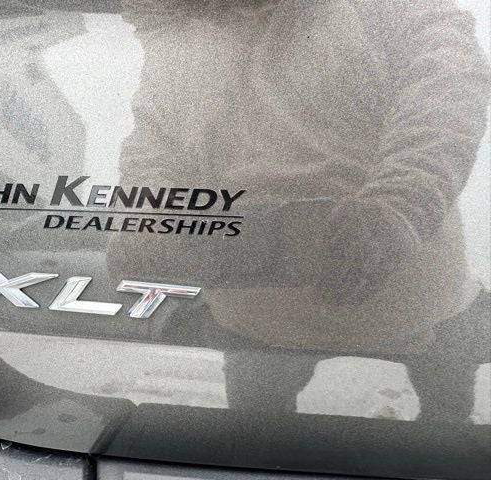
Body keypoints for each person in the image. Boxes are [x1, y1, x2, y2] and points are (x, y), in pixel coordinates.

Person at [109, 0, 490, 419]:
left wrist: (396, 207)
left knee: (442, 429)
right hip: (270, 305)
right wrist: (148, 218)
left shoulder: (395, 8)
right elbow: (156, 140)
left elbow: (443, 99)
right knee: (443, 430)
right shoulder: (180, 24)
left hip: (398, 294)